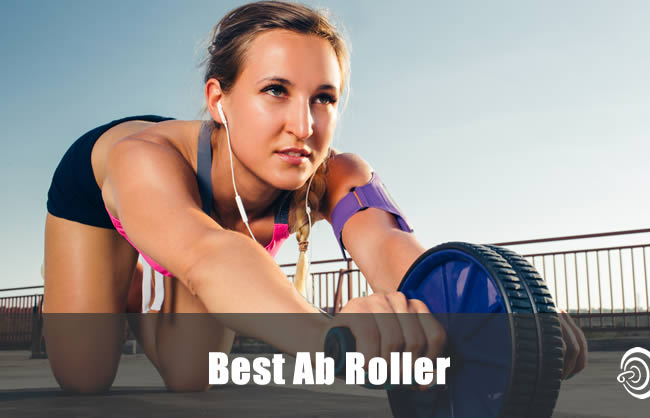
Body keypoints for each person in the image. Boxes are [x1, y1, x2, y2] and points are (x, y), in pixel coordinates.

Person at [43, 0, 586, 393]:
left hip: (208, 236)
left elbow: (402, 259)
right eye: (275, 90)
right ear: (219, 98)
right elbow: (211, 255)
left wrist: (507, 316)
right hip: (105, 196)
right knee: (84, 376)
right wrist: (329, 337)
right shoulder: (144, 157)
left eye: (323, 98)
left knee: (192, 379)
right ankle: (131, 272)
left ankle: (153, 282)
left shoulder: (339, 173)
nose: (303, 126)